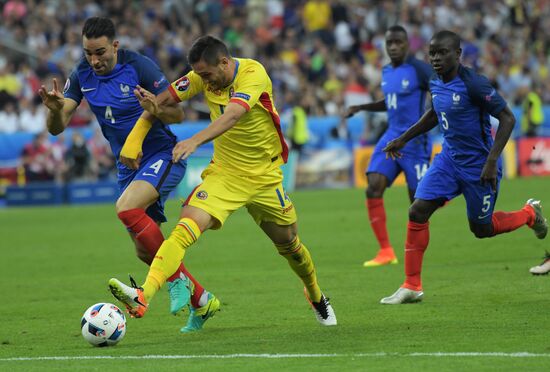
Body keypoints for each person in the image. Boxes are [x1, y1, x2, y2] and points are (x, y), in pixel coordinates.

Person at [108, 35, 337, 327]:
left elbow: (231, 117)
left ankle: (316, 295)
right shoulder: (202, 77)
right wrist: (142, 127)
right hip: (225, 174)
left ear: (225, 63)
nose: (204, 81)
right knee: (184, 230)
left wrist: (195, 140)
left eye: (207, 74)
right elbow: (163, 98)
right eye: (199, 75)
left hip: (264, 177)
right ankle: (144, 294)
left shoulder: (253, 74)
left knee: (290, 245)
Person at [37, 17, 217, 332]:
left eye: (100, 52)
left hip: (163, 155)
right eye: (88, 53)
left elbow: (178, 112)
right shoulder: (81, 74)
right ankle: (202, 301)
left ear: (115, 46)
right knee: (144, 250)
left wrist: (156, 107)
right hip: (127, 165)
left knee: (126, 208)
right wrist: (53, 111)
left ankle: (175, 283)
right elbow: (57, 127)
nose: (94, 60)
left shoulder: (140, 67)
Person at [380, 30, 548, 305]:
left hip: (479, 167)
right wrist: (403, 138)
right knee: (417, 210)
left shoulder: (474, 84)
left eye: (442, 52)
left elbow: (507, 118)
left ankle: (529, 213)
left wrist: (492, 161)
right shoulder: (435, 81)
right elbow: (435, 113)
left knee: (481, 229)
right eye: (432, 52)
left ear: (457, 55)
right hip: (448, 160)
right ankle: (412, 285)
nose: (435, 58)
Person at [345, 25, 434, 268]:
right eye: (390, 43)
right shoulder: (386, 71)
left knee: (418, 203)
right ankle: (386, 251)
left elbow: (440, 91)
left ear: (407, 44)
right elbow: (390, 102)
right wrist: (362, 107)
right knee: (373, 187)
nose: (393, 47)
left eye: (398, 42)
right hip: (391, 137)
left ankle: (415, 257)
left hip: (415, 141)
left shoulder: (419, 69)